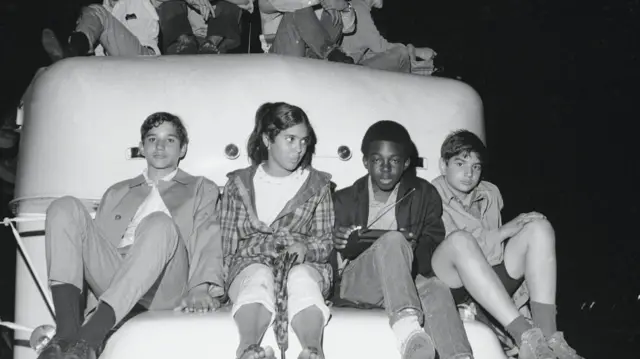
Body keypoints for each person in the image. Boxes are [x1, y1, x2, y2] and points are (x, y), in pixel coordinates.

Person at [38, 112, 224, 359]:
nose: (159, 146)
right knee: (63, 207)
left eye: (169, 140)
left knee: (158, 223)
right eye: (152, 139)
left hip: (166, 280)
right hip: (119, 275)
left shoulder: (201, 188)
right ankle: (66, 336)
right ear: (142, 148)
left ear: (183, 149)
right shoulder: (117, 191)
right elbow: (95, 250)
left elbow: (207, 236)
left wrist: (201, 288)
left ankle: (90, 338)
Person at [430, 129, 584, 359]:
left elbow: (496, 257)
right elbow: (463, 247)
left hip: (488, 278)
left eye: (476, 166)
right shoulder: (429, 195)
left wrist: (524, 309)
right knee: (461, 241)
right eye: (460, 164)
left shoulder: (491, 193)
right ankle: (525, 335)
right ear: (444, 165)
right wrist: (503, 232)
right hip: (451, 282)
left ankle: (547, 338)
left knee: (539, 227)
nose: (468, 173)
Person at [331, 120, 473, 359]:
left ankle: (459, 355)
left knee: (436, 287)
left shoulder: (424, 195)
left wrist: (414, 249)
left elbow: (433, 250)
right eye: (377, 160)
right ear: (366, 161)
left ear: (406, 163)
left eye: (394, 161)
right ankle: (409, 334)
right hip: (357, 285)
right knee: (393, 240)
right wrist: (337, 244)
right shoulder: (343, 200)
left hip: (405, 282)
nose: (385, 168)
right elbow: (322, 262)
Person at [221, 102, 334, 359]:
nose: (299, 149)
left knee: (301, 279)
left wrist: (305, 248)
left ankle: (313, 350)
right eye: (290, 139)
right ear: (267, 139)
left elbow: (326, 241)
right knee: (258, 278)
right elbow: (226, 246)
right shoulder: (238, 184)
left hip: (302, 264)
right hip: (249, 265)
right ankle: (248, 348)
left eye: (304, 141)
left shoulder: (318, 184)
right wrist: (218, 289)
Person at [41, 0, 163, 63]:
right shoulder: (100, 12)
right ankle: (68, 56)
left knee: (97, 12)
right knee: (89, 16)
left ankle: (70, 53)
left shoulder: (143, 1)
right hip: (117, 67)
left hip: (146, 61)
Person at [341, 0, 436, 73]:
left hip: (349, 66)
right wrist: (415, 51)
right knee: (401, 53)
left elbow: (370, 51)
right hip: (348, 71)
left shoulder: (358, 6)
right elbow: (380, 47)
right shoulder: (360, 8)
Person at [258, 0, 355, 62]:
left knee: (334, 12)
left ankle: (327, 55)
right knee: (299, 9)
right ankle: (330, 52)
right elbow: (266, 5)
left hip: (314, 53)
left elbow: (349, 28)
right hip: (282, 53)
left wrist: (345, 7)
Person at [157, 0, 252, 54]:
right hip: (181, 39)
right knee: (170, 5)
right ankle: (184, 42)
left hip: (221, 37)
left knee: (228, 6)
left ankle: (211, 44)